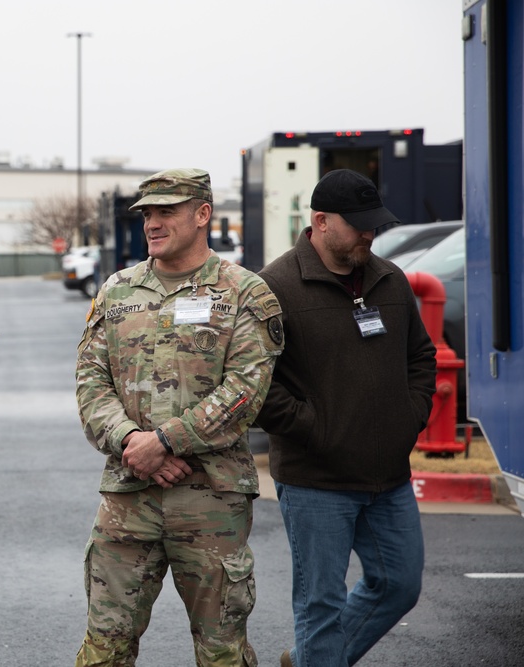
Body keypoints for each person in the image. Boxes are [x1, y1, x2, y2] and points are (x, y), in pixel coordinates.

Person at [74, 168, 284, 666]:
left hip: (210, 498)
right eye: (147, 213)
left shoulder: (244, 294)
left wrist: (166, 441)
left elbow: (246, 393)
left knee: (221, 652)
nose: (153, 222)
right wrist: (133, 443)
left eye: (166, 211)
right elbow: (90, 383)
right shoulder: (118, 290)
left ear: (202, 215)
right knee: (105, 647)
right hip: (129, 495)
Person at [254, 169, 437, 667]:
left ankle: (313, 659)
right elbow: (257, 385)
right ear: (320, 221)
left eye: (373, 224)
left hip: (388, 477)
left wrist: (411, 415)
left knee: (398, 585)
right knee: (321, 605)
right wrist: (317, 429)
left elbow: (420, 357)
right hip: (318, 480)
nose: (368, 234)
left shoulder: (389, 278)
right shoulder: (275, 287)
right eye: (358, 225)